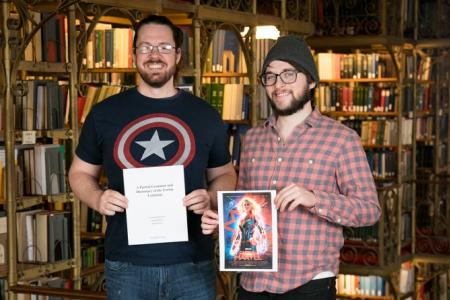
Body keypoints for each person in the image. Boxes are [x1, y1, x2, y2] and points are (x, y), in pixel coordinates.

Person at [68, 15, 236, 300]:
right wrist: (97, 198)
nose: (154, 55)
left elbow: (226, 174)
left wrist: (210, 196)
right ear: (134, 55)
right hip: (128, 264)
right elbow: (78, 173)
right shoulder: (104, 113)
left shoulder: (205, 114)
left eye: (164, 47)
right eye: (145, 47)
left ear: (178, 54)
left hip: (193, 262)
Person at [201, 35, 381, 300]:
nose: (278, 85)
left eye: (288, 74)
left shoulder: (341, 139)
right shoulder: (251, 139)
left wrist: (314, 199)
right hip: (253, 282)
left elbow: (369, 210)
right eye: (270, 77)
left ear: (311, 81)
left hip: (308, 284)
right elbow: (243, 206)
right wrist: (219, 222)